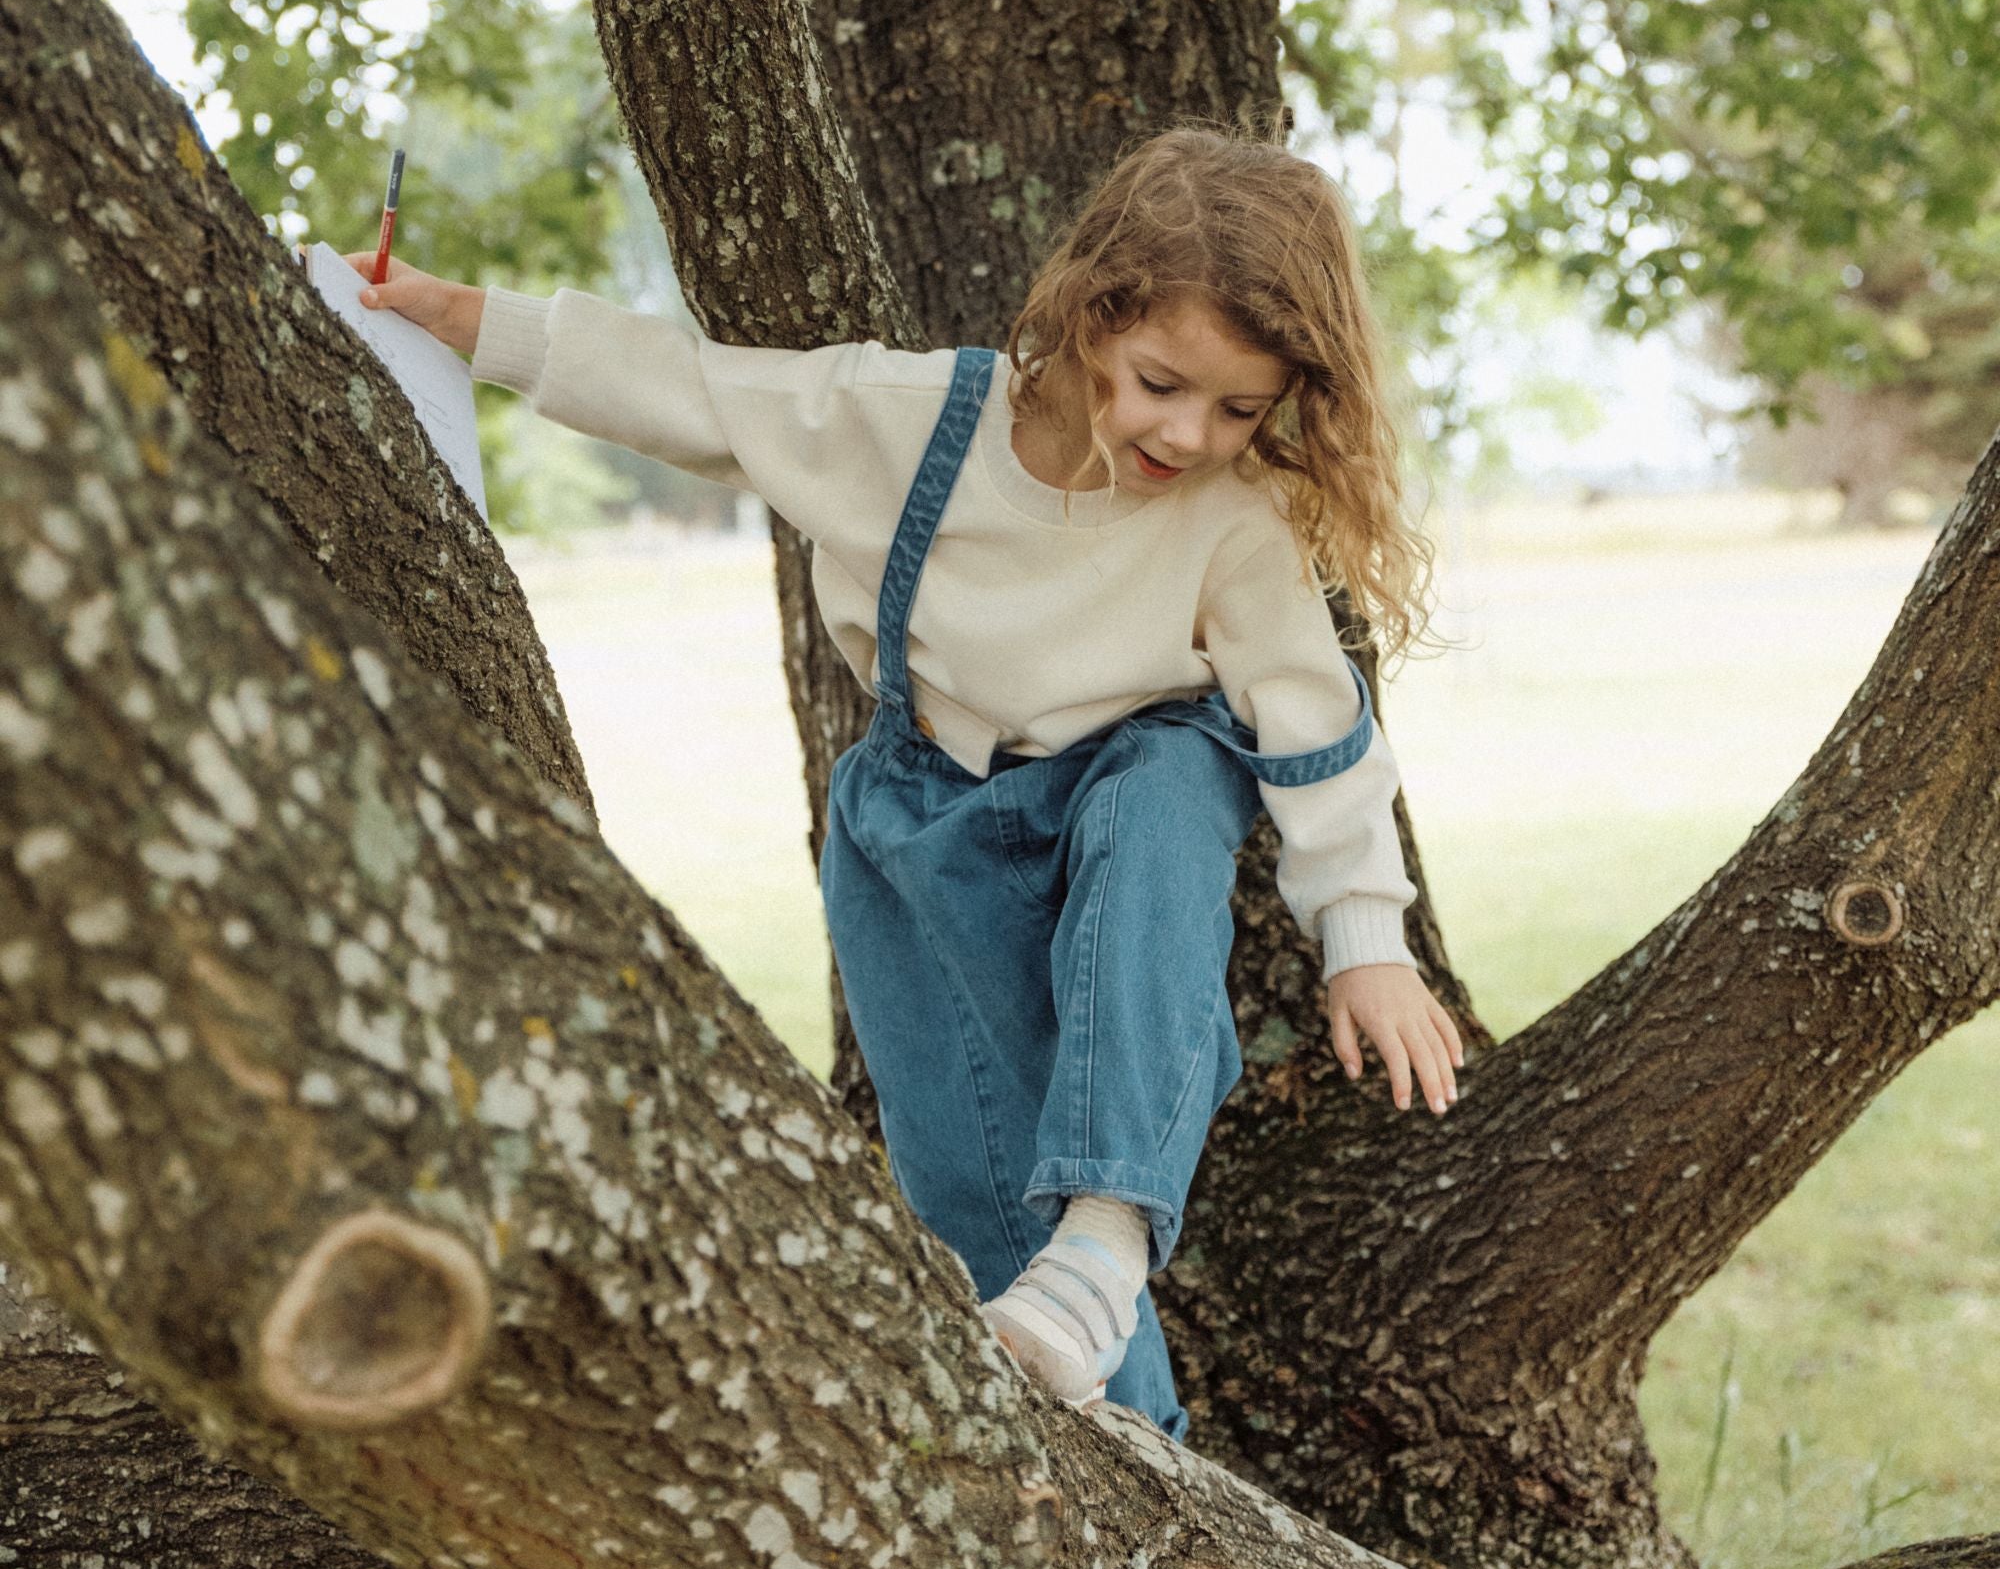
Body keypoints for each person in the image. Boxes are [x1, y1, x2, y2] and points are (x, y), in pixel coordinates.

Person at [350, 126, 1461, 1430]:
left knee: (1160, 802)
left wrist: (1367, 941)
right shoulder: (913, 419)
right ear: (1093, 313)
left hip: (1131, 785)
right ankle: (1130, 1448)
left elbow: (1313, 722)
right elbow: (691, 393)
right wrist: (451, 313)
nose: (1190, 432)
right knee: (983, 1198)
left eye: (1238, 410)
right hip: (928, 817)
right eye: (1164, 382)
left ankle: (1108, 1241)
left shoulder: (1236, 517)